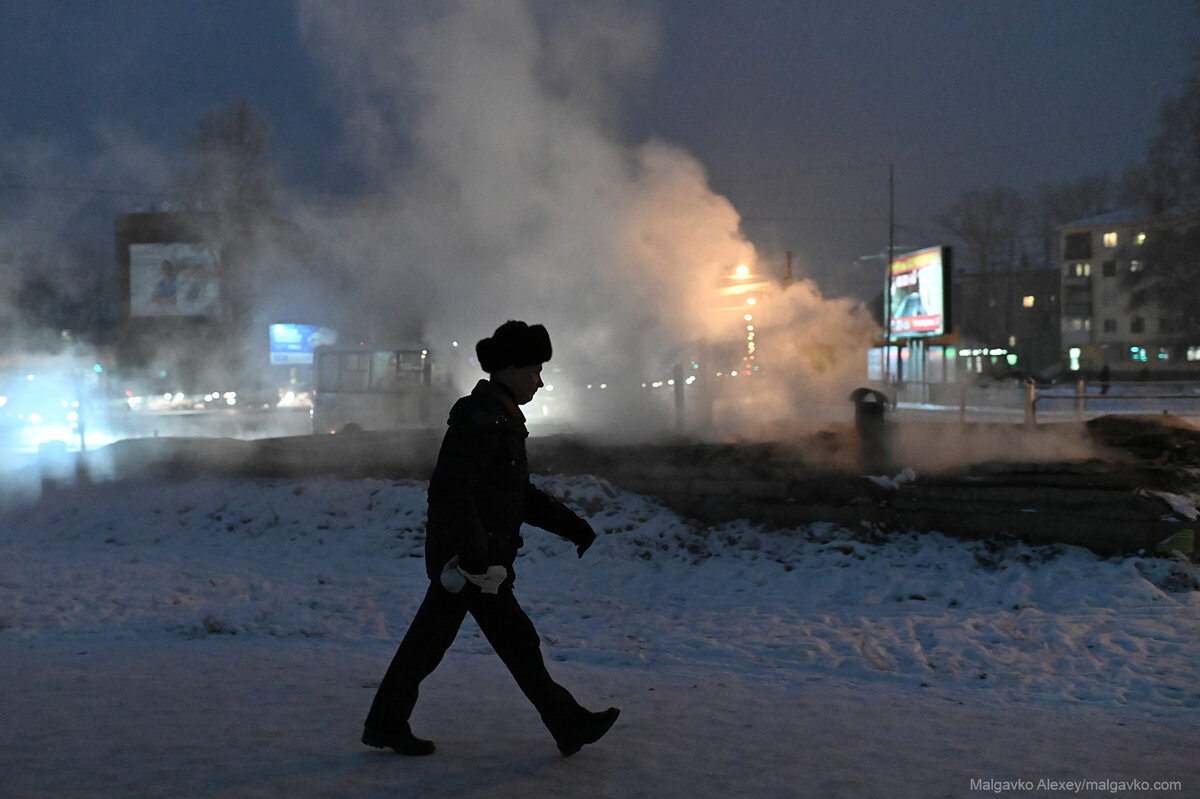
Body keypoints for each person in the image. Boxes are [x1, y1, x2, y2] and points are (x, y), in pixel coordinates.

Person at [362, 320, 619, 757]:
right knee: (515, 646)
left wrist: (572, 525)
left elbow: (516, 495)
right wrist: (474, 553)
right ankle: (569, 724)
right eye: (536, 369)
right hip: (471, 565)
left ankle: (386, 723)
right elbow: (452, 489)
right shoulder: (484, 420)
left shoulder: (497, 417)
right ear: (512, 369)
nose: (541, 380)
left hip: (474, 562)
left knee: (433, 647)